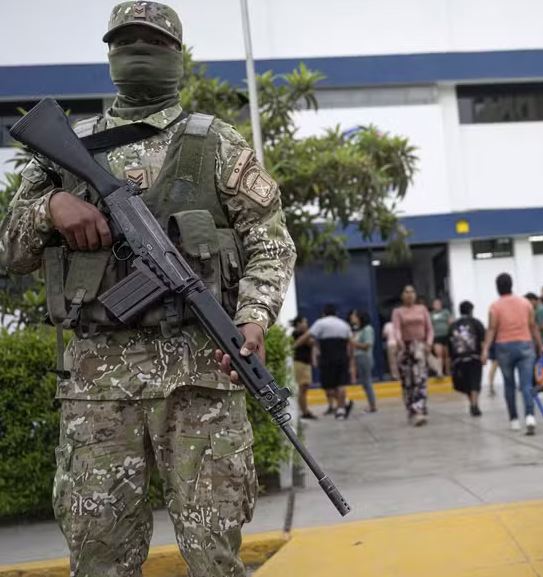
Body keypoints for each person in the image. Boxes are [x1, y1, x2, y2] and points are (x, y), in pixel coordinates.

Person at [0, 3, 296, 575]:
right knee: (99, 556)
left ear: (176, 58)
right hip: (97, 390)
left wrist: (254, 317)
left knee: (215, 557)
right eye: (125, 41)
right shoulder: (68, 147)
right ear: (110, 55)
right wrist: (49, 208)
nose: (138, 51)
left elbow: (272, 243)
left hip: (201, 381)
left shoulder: (218, 144)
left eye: (152, 42)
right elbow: (11, 250)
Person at [482, 273, 543, 435]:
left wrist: (485, 349)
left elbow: (492, 329)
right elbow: (533, 326)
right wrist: (541, 345)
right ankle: (530, 416)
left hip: (503, 348)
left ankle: (514, 420)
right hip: (525, 345)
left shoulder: (494, 307)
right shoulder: (525, 303)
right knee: (526, 384)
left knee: (509, 384)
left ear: (497, 287)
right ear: (511, 285)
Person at [296, 305, 354, 420]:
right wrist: (350, 359)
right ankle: (342, 408)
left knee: (328, 386)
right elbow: (350, 343)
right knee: (341, 384)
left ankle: (344, 404)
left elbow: (307, 336)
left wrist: (293, 345)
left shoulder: (321, 323)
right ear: (335, 313)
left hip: (328, 358)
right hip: (342, 357)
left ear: (324, 313)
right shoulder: (344, 324)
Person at [392, 285, 433, 426]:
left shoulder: (422, 309)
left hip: (420, 347)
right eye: (406, 292)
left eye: (412, 292)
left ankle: (419, 410)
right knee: (408, 382)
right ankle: (411, 409)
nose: (409, 294)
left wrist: (428, 343)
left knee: (420, 379)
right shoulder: (398, 311)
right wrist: (398, 341)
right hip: (405, 348)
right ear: (402, 296)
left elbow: (429, 329)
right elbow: (396, 329)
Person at [448, 301, 486, 416]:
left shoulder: (453, 326)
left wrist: (449, 362)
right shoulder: (476, 323)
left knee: (467, 383)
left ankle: (473, 404)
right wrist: (484, 354)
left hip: (458, 359)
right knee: (475, 381)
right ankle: (474, 404)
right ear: (471, 310)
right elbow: (483, 340)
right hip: (474, 357)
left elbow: (448, 345)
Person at [351, 309, 378, 413]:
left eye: (354, 316)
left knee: (367, 381)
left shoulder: (367, 329)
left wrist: (353, 343)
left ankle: (373, 405)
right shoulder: (358, 330)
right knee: (364, 382)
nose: (352, 318)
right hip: (359, 357)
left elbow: (367, 345)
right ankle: (370, 404)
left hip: (364, 357)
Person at [291, 316, 317, 420]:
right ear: (298, 324)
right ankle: (304, 411)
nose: (306, 324)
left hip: (305, 363)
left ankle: (305, 409)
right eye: (304, 322)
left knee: (305, 388)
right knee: (303, 387)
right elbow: (309, 342)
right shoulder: (297, 334)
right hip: (300, 363)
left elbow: (312, 344)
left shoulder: (305, 334)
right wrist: (309, 333)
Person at [430, 297, 453, 377]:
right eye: (435, 304)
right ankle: (440, 372)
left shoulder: (446, 312)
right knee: (439, 355)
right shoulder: (431, 314)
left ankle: (448, 371)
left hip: (446, 335)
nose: (437, 305)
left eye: (438, 304)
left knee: (447, 355)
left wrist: (451, 333)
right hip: (436, 336)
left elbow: (450, 322)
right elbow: (429, 326)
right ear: (433, 305)